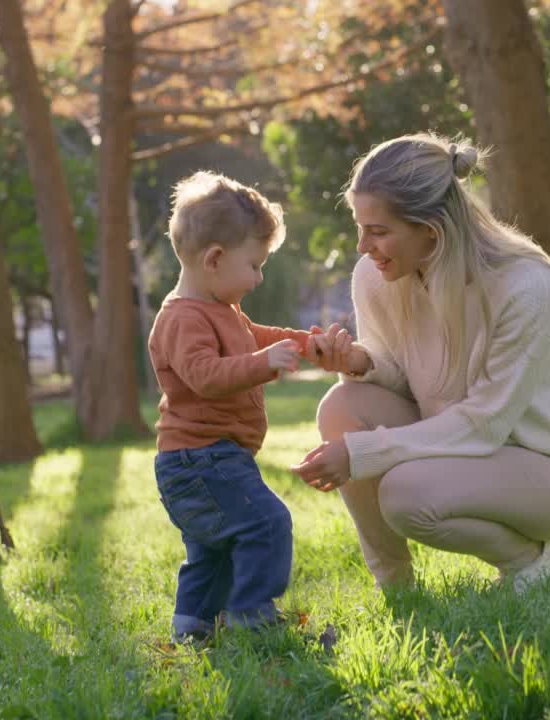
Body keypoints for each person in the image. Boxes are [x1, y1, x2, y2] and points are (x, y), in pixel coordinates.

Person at [291, 133, 550, 593]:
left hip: (546, 471)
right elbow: (409, 378)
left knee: (404, 494)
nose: (362, 246)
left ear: (431, 230)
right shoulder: (377, 276)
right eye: (360, 227)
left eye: (377, 231)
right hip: (455, 446)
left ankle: (532, 564)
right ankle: (396, 589)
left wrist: (359, 454)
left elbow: (484, 423)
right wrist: (359, 361)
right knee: (341, 406)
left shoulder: (524, 285)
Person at [148, 171, 318, 642]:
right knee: (267, 523)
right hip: (199, 459)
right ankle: (251, 618)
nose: (260, 277)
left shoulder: (220, 308)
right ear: (216, 259)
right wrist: (264, 364)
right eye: (256, 265)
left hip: (207, 458)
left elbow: (254, 337)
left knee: (212, 550)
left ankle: (193, 628)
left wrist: (304, 343)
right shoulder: (183, 318)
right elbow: (204, 376)